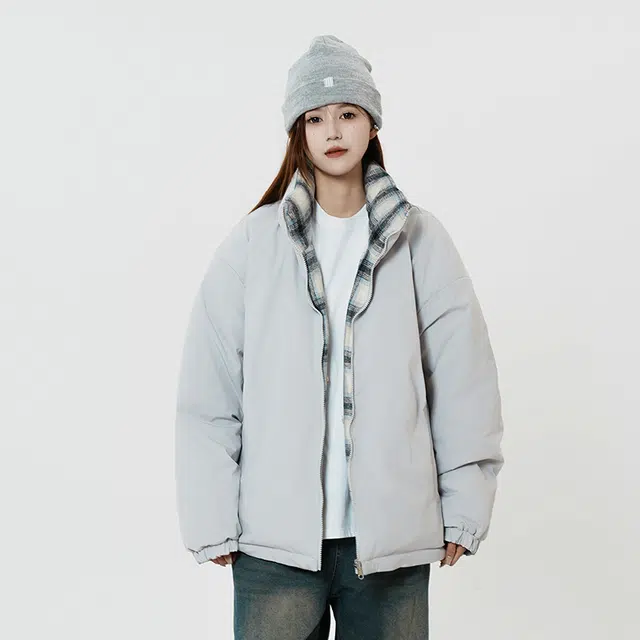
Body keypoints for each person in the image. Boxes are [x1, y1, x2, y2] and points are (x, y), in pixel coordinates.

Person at [174, 34, 505, 640]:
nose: (333, 130)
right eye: (316, 117)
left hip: (389, 545)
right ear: (297, 133)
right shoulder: (253, 244)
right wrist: (211, 516)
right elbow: (209, 390)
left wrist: (463, 505)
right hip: (273, 548)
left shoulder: (421, 240)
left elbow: (464, 380)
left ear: (371, 125)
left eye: (348, 113)